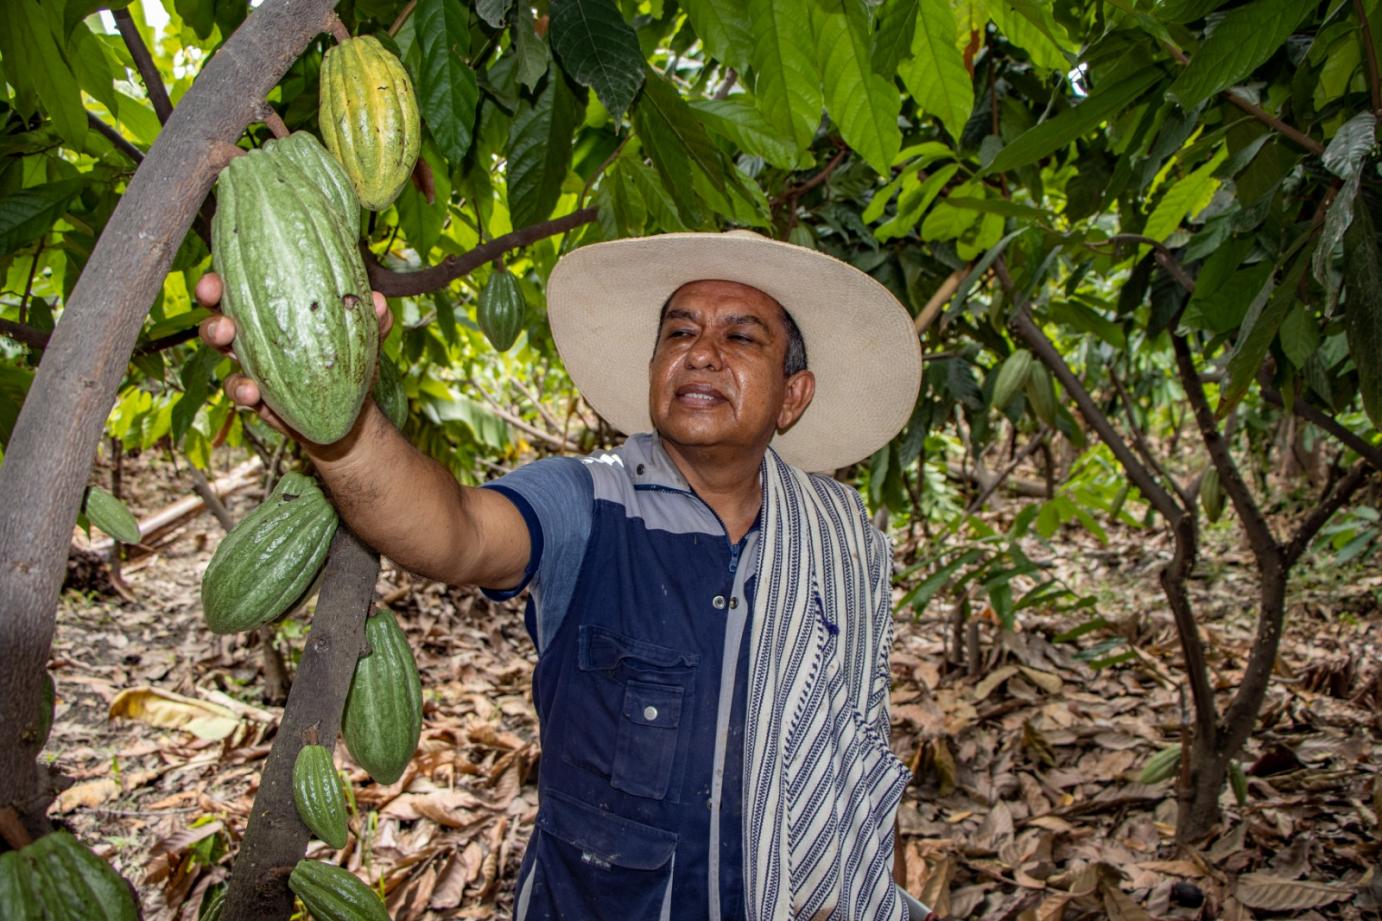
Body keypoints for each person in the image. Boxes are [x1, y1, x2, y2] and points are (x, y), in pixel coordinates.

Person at [198, 230, 935, 920]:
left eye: (740, 336)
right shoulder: (589, 499)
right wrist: (335, 415)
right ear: (653, 371)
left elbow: (855, 757)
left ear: (793, 395)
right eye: (679, 332)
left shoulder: (840, 540)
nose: (701, 353)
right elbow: (454, 531)